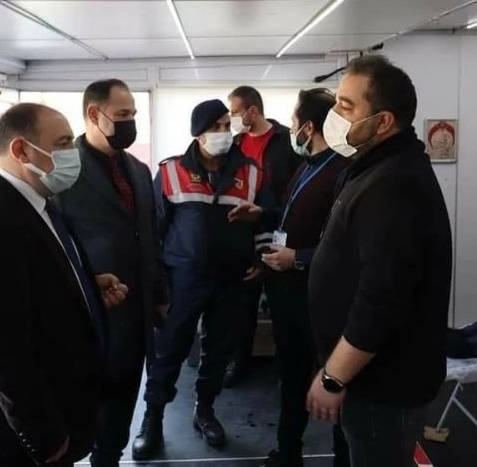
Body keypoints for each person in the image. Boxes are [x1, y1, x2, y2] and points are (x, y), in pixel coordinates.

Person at [0, 103, 127, 467]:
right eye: (62, 143)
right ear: (21, 150)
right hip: (21, 437)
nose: (74, 153)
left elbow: (28, 286)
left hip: (62, 407)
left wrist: (84, 288)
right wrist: (45, 437)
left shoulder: (35, 199)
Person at [306, 55, 453, 467]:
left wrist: (333, 377)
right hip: (368, 379)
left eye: (346, 107)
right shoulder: (371, 168)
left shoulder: (395, 185)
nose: (334, 116)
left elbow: (382, 300)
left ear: (383, 121)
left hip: (384, 386)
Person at [133, 99, 272, 459]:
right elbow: (153, 231)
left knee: (218, 351)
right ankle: (152, 419)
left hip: (232, 279)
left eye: (227, 125)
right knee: (169, 351)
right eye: (216, 127)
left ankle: (205, 410)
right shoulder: (171, 171)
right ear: (198, 134)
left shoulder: (250, 171)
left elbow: (265, 220)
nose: (224, 133)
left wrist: (260, 257)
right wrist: (158, 286)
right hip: (183, 278)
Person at [229, 88, 351, 467]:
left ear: (308, 128)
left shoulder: (341, 172)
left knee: (335, 384)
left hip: (319, 299)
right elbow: (290, 213)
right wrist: (262, 214)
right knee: (291, 377)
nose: (290, 129)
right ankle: (287, 451)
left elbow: (346, 248)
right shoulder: (307, 165)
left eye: (295, 122)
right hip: (288, 295)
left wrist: (297, 258)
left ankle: (343, 458)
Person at [56, 79, 168, 466]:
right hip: (86, 316)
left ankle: (109, 458)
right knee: (81, 414)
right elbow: (55, 244)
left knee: (119, 412)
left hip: (134, 316)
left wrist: (159, 295)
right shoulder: (62, 170)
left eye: (133, 114)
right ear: (94, 114)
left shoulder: (138, 169)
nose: (130, 122)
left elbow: (150, 236)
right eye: (122, 114)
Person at [225, 85, 302, 387]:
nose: (231, 118)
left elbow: (296, 189)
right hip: (244, 232)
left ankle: (288, 367)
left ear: (252, 110)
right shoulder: (234, 143)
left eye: (234, 112)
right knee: (243, 303)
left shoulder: (286, 140)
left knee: (283, 305)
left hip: (280, 229)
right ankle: (238, 361)